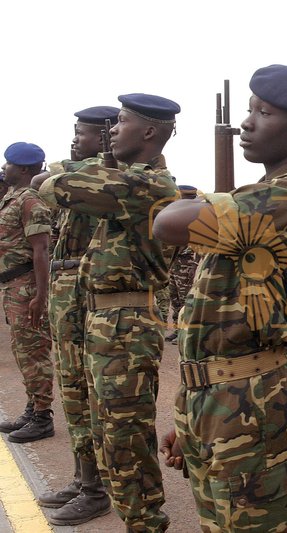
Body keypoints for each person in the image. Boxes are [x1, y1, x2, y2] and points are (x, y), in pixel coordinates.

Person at [154, 63, 287, 532]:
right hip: (221, 398)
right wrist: (192, 413)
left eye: (264, 113)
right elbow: (214, 316)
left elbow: (167, 223)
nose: (247, 123)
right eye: (249, 109)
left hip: (252, 402)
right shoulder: (259, 195)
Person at [38, 93, 180, 532]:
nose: (112, 131)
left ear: (150, 131)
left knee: (125, 434)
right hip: (106, 319)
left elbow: (53, 185)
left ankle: (146, 521)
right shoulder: (125, 180)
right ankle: (116, 503)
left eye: (120, 122)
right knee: (105, 428)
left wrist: (82, 167)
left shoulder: (149, 185)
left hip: (128, 322)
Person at [35, 106, 118, 525]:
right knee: (72, 388)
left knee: (89, 392)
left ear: (104, 137)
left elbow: (42, 182)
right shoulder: (83, 173)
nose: (74, 140)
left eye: (82, 133)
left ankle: (96, 489)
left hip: (85, 291)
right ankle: (84, 478)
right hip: (66, 288)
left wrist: (69, 167)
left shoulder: (103, 177)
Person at [0, 142, 54, 444]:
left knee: (34, 351)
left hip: (26, 287)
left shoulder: (30, 201)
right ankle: (33, 407)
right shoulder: (13, 198)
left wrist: (40, 296)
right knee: (23, 351)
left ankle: (43, 417)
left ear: (22, 169)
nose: (4, 168)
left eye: (8, 164)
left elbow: (41, 250)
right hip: (13, 286)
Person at [163, 184, 201, 344]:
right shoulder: (178, 213)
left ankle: (187, 333)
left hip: (187, 263)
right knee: (175, 298)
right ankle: (178, 329)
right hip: (176, 263)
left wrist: (195, 265)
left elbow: (201, 244)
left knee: (186, 299)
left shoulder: (196, 216)